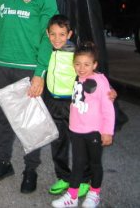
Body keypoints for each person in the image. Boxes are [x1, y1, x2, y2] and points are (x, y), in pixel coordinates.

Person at [0, 0, 58, 193]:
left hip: (29, 68)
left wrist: (40, 73)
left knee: (31, 122)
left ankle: (31, 170)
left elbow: (50, 36)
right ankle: (3, 162)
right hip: (3, 66)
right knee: (4, 120)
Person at [51, 41, 115, 208]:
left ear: (95, 65)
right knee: (78, 163)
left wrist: (107, 131)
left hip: (94, 131)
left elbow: (108, 108)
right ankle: (72, 197)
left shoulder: (100, 81)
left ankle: (94, 194)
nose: (81, 67)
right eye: (77, 64)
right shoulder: (78, 78)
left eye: (87, 64)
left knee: (94, 164)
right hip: (76, 130)